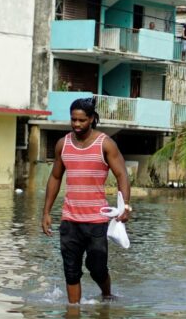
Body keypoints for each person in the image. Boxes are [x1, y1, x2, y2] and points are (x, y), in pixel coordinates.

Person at [42, 97, 132, 304]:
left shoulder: (105, 144)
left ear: (91, 119)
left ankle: (107, 296)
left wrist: (124, 206)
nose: (76, 124)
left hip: (96, 221)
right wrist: (46, 212)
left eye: (81, 120)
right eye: (73, 120)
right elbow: (55, 177)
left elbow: (122, 175)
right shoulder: (62, 144)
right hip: (70, 220)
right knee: (71, 270)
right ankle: (73, 313)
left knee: (97, 268)